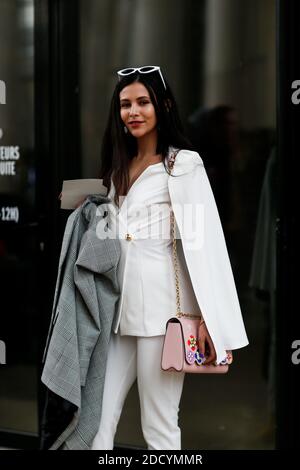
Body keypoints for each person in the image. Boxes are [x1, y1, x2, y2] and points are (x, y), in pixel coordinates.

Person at [91, 65, 249, 450]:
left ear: (161, 105)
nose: (133, 112)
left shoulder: (183, 165)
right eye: (125, 104)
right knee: (95, 422)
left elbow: (205, 244)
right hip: (118, 314)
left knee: (159, 428)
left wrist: (212, 320)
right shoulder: (118, 169)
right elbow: (109, 238)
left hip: (162, 317)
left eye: (143, 102)